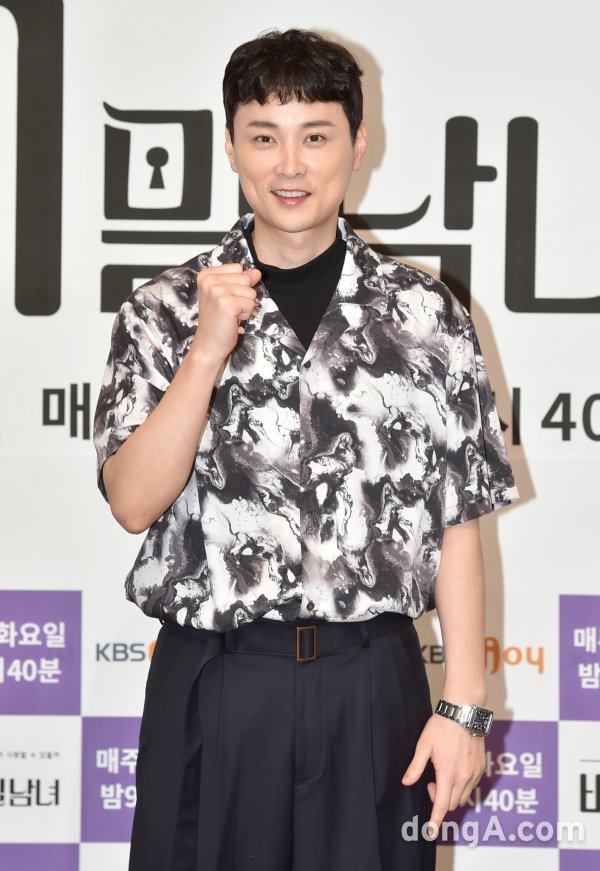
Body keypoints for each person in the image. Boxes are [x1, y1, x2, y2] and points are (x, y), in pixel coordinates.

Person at [93, 28, 519, 871]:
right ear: (230, 147)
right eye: (264, 136)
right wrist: (207, 349)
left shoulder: (425, 314)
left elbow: (458, 520)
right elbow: (134, 501)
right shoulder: (162, 310)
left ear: (358, 144)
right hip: (216, 684)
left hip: (373, 688)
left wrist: (466, 706)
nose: (290, 165)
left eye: (315, 135)